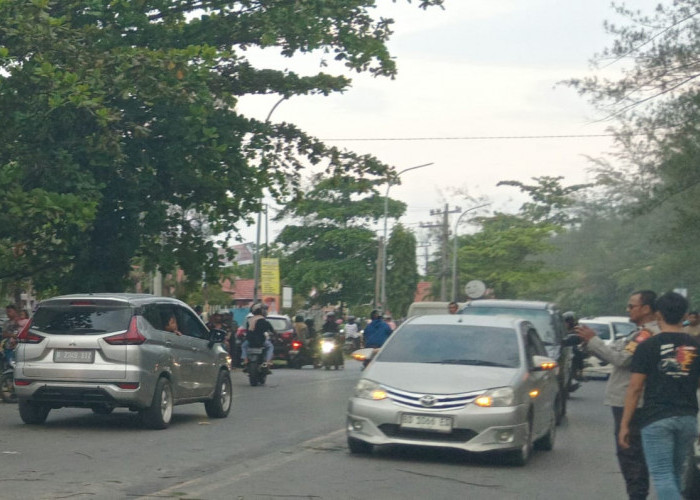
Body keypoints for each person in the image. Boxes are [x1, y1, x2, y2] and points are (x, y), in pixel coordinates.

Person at [576, 290, 659, 500]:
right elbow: (612, 353)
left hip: (631, 400)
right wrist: (590, 343)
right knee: (632, 454)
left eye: (632, 306)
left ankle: (637, 495)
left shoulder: (646, 335)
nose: (628, 310)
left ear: (646, 309)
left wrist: (594, 340)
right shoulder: (637, 332)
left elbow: (621, 359)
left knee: (630, 454)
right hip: (628, 399)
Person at [619, 291, 700, 500]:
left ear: (658, 315)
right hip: (688, 418)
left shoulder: (648, 346)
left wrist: (625, 424)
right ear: (684, 315)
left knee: (662, 474)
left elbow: (635, 388)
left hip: (656, 418)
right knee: (674, 473)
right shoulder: (697, 346)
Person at [241, 303, 275, 368]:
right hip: (261, 340)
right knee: (270, 347)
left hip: (250, 341)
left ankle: (245, 360)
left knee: (243, 346)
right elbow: (271, 330)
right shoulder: (263, 321)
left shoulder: (249, 320)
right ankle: (268, 361)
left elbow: (247, 330)